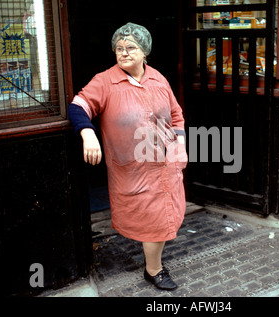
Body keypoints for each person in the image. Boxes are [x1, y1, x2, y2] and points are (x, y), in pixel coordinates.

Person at [68, 23, 187, 291]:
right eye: (119, 48)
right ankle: (154, 269)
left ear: (145, 51)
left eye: (131, 47)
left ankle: (153, 267)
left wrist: (179, 145)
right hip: (133, 167)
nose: (124, 52)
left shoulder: (158, 78)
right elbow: (79, 106)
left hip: (165, 162)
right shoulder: (105, 81)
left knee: (162, 216)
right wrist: (88, 134)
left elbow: (176, 113)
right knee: (152, 219)